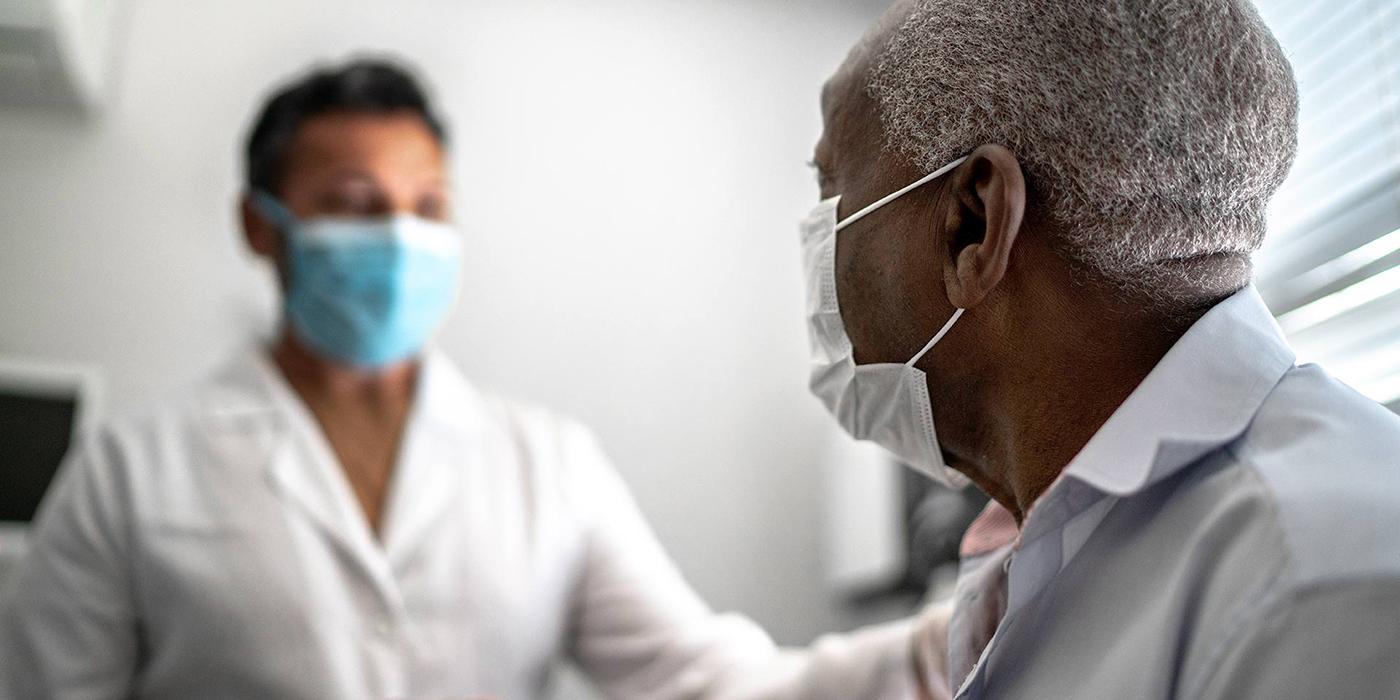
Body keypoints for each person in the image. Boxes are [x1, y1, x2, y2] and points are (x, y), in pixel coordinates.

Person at [0, 59, 943, 700]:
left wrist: (942, 642)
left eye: (426, 207)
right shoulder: (132, 469)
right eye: (354, 205)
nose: (399, 238)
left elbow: (709, 683)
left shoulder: (546, 466)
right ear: (261, 226)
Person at [803, 0, 1400, 698]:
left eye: (829, 190)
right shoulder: (1066, 540)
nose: (817, 234)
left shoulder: (1315, 592)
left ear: (973, 225)